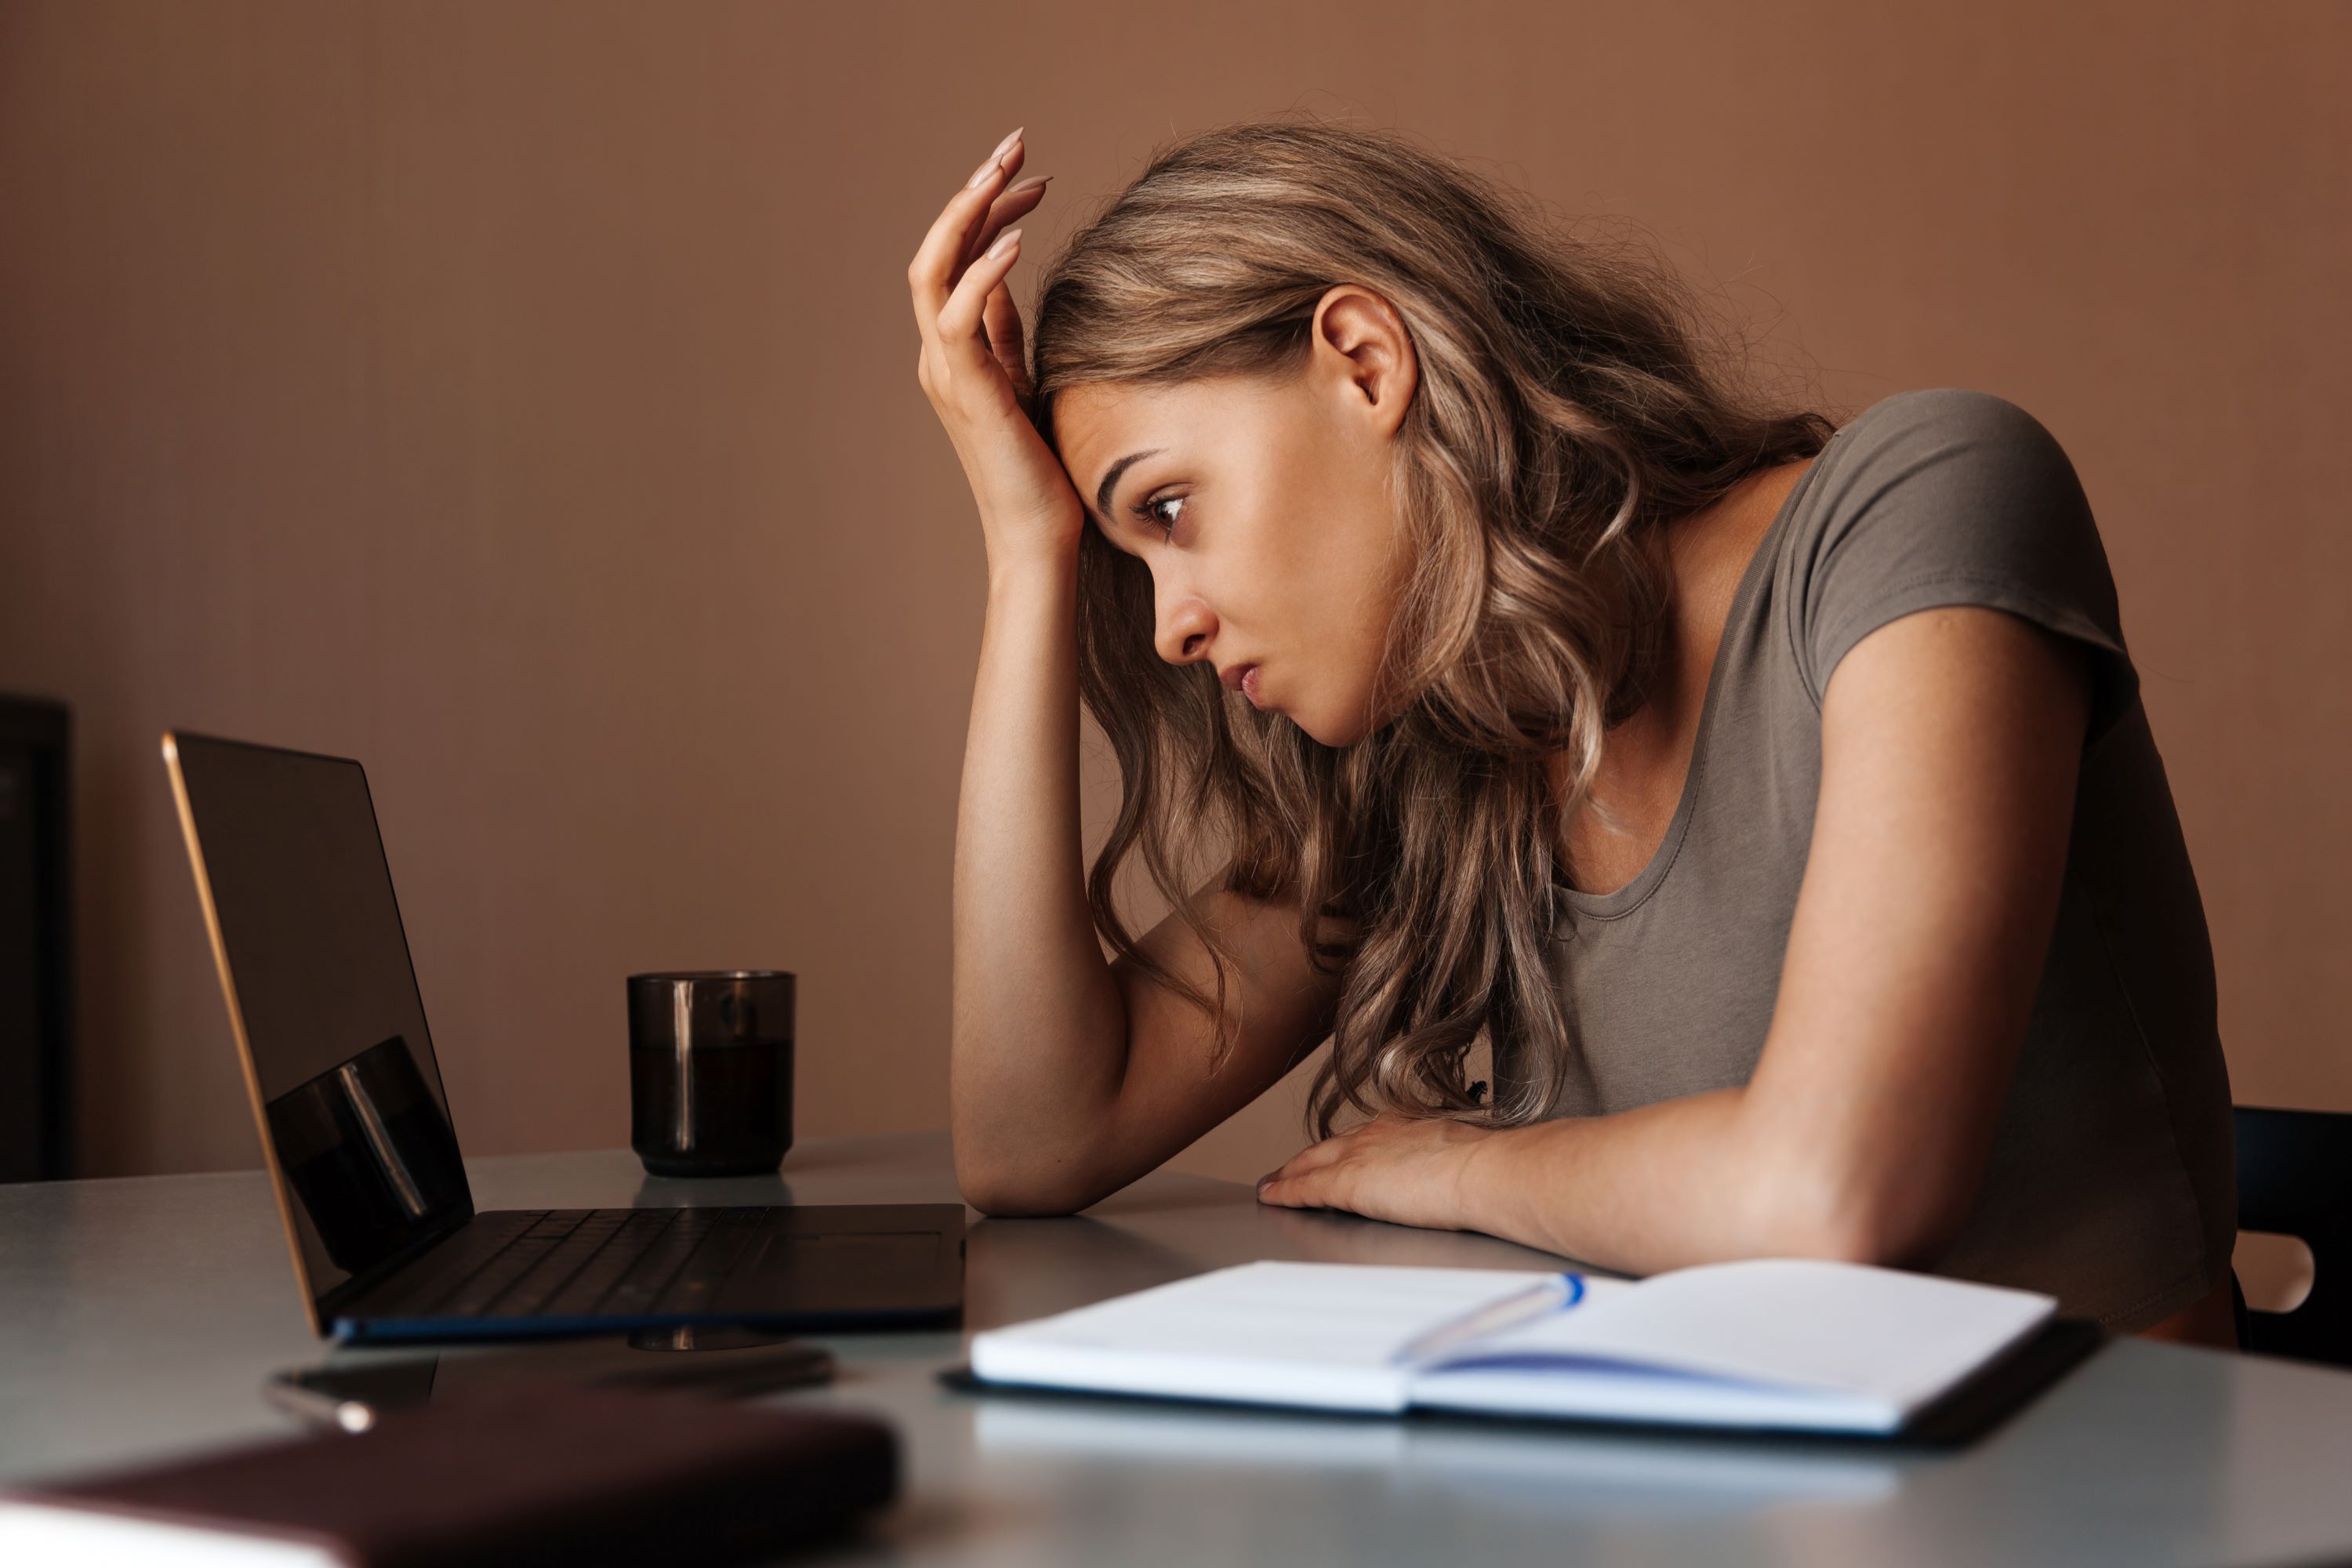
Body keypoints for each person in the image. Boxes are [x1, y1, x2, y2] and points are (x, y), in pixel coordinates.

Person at [906, 119, 2239, 1347]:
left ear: (1366, 364)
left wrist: (1465, 1166)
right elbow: (1036, 1140)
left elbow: (1840, 1197)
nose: (1169, 632)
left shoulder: (1919, 506)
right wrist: (1030, 552)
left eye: (1172, 512)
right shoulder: (1447, 753)